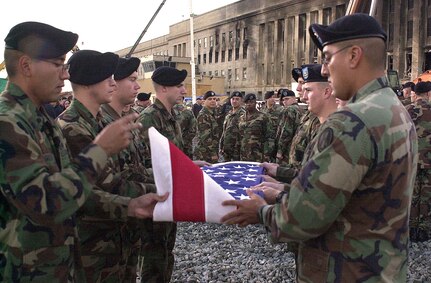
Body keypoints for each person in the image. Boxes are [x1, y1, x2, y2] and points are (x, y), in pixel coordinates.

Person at [222, 14, 418, 282]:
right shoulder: (393, 108)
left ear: (353, 56)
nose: (324, 69)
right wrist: (282, 195)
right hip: (382, 269)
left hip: (344, 271)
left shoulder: (351, 121)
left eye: (327, 57)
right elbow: (356, 197)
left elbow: (303, 219)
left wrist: (259, 212)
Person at [0, 21, 166, 282]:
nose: (65, 75)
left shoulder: (40, 119)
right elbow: (46, 202)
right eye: (57, 64)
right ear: (25, 66)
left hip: (60, 268)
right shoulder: (7, 122)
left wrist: (130, 206)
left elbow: (74, 192)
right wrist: (99, 150)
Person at [56, 50, 158, 282]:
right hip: (94, 247)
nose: (113, 82)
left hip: (122, 237)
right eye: (106, 76)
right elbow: (109, 185)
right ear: (88, 80)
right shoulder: (72, 127)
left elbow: (131, 171)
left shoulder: (101, 122)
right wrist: (165, 191)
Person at [137, 66, 187, 283]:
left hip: (170, 195)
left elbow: (172, 155)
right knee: (154, 253)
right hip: (155, 197)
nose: (184, 90)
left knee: (167, 249)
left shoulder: (170, 116)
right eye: (179, 86)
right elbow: (143, 165)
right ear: (164, 88)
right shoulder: (149, 118)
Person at [405, 81, 431, 242]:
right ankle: (424, 229)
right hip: (429, 161)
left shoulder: (407, 110)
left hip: (411, 160)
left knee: (412, 194)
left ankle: (411, 228)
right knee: (427, 195)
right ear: (428, 94)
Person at [237, 93, 273, 162]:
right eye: (246, 102)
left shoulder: (263, 117)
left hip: (258, 155)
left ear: (255, 103)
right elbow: (239, 137)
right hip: (243, 154)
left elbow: (269, 137)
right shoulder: (241, 118)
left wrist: (266, 154)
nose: (249, 104)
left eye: (251, 102)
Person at [275, 88, 304, 165]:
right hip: (297, 148)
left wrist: (280, 151)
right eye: (283, 100)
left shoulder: (289, 110)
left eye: (287, 99)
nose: (284, 101)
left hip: (287, 149)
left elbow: (286, 131)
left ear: (294, 98)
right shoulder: (301, 110)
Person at [194, 90, 220, 163]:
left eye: (214, 99)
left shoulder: (212, 113)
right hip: (204, 153)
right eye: (209, 99)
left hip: (210, 151)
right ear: (204, 101)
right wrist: (213, 153)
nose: (213, 101)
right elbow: (206, 137)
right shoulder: (203, 115)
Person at [219, 91, 245, 161]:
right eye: (233, 99)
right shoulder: (229, 115)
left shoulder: (243, 114)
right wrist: (222, 146)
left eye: (237, 99)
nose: (234, 101)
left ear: (241, 101)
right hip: (227, 149)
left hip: (237, 149)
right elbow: (224, 131)